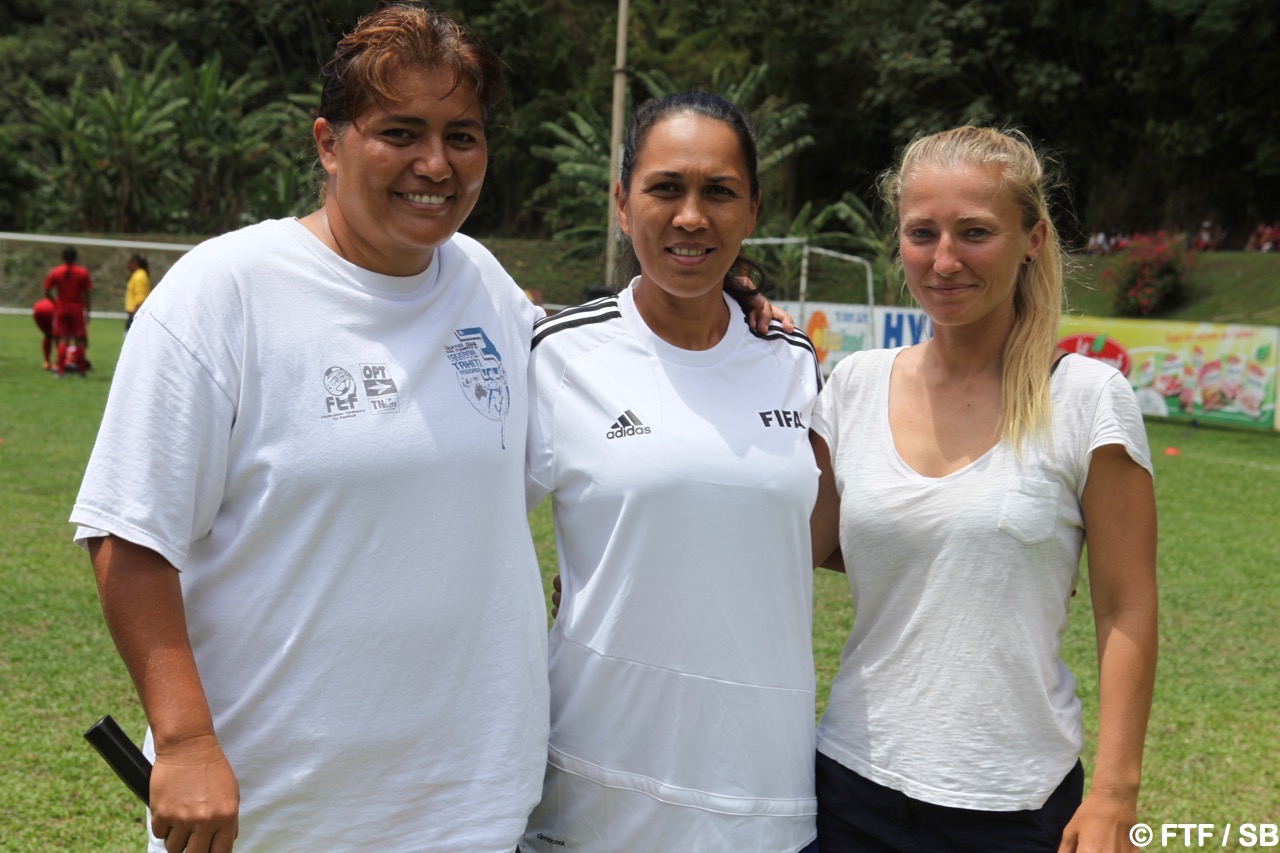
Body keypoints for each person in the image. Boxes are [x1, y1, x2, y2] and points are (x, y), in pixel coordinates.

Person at [71, 7, 551, 851]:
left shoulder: (485, 284)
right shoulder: (225, 291)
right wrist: (184, 740)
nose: (435, 164)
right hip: (276, 813)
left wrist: (727, 311)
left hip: (468, 805)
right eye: (399, 132)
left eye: (462, 136)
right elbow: (129, 533)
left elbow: (613, 386)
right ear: (328, 142)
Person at [808, 126, 1158, 852]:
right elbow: (804, 544)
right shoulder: (853, 385)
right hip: (850, 784)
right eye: (922, 233)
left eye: (974, 232)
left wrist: (1115, 793)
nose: (944, 260)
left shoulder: (1088, 399)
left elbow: (1126, 603)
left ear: (1032, 239)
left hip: (1015, 802)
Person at [522, 92, 823, 852]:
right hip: (597, 795)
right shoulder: (560, 355)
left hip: (766, 795)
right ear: (623, 205)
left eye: (718, 191)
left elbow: (826, 537)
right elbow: (468, 535)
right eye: (665, 188)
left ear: (751, 210)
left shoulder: (792, 361)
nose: (691, 216)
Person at [43, 245, 92, 376]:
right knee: (79, 339)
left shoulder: (55, 272)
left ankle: (60, 370)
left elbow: (47, 291)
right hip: (77, 309)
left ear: (62, 257)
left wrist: (55, 303)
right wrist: (88, 311)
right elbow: (86, 294)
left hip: (62, 309)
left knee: (63, 339)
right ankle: (82, 371)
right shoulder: (82, 272)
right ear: (75, 257)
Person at [124, 252, 151, 332]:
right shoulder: (137, 274)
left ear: (135, 263)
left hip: (135, 312)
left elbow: (140, 297)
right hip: (133, 312)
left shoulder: (140, 276)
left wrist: (135, 315)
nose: (127, 265)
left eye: (129, 262)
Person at [32, 296, 55, 370]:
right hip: (56, 306)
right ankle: (61, 363)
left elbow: (47, 292)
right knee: (62, 337)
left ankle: (47, 362)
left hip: (38, 306)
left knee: (48, 335)